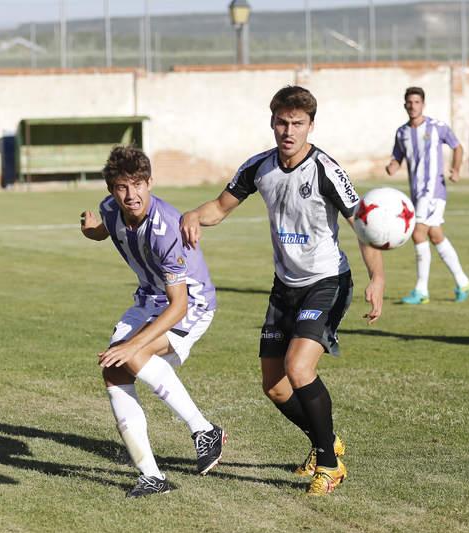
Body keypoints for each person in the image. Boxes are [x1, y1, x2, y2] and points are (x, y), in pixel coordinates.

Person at [181, 85, 384, 496]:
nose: (288, 131)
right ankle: (325, 441)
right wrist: (192, 215)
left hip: (326, 282)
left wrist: (376, 279)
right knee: (274, 386)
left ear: (310, 125)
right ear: (272, 122)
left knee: (299, 368)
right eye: (281, 122)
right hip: (285, 286)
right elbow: (220, 207)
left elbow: (362, 223)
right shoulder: (260, 167)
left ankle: (329, 463)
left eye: (297, 123)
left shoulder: (325, 168)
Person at [80, 145, 225, 498]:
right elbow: (105, 230)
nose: (131, 195)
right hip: (149, 298)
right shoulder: (110, 209)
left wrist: (135, 343)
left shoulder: (165, 229)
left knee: (130, 354)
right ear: (112, 190)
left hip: (191, 303)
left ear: (149, 182)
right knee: (113, 370)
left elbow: (179, 305)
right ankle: (151, 477)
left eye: (138, 185)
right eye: (121, 187)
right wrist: (89, 229)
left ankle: (203, 430)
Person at [385, 86, 469, 305]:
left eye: (417, 102)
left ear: (423, 104)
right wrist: (392, 166)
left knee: (418, 233)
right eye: (409, 102)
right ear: (404, 105)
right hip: (416, 192)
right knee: (435, 235)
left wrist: (456, 169)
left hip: (433, 189)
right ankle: (463, 282)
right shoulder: (402, 132)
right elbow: (397, 157)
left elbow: (458, 147)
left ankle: (421, 290)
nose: (413, 106)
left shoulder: (437, 127)